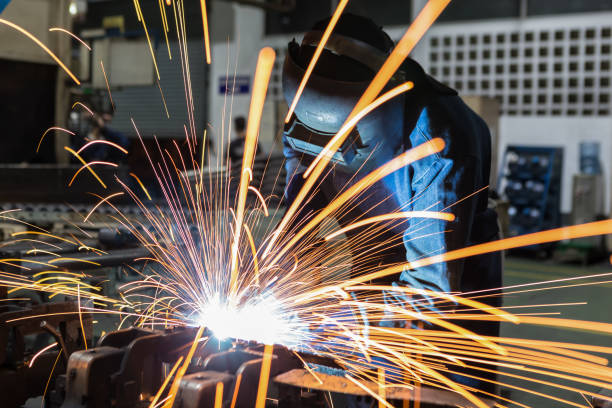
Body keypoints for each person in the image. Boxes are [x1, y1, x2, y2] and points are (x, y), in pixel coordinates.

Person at [281, 14, 501, 396]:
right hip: (371, 248)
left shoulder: (439, 137)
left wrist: (336, 321)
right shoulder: (304, 123)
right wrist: (290, 283)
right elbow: (299, 220)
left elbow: (431, 293)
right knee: (349, 379)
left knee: (443, 389)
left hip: (453, 273)